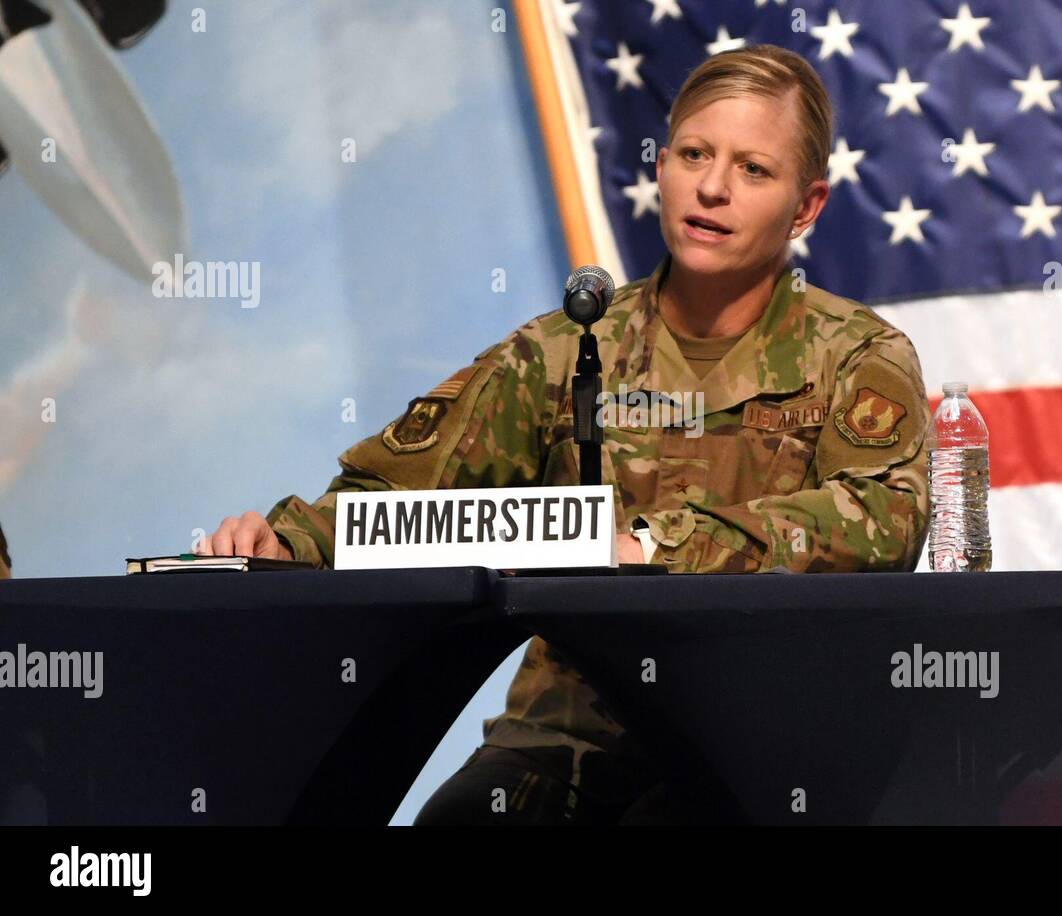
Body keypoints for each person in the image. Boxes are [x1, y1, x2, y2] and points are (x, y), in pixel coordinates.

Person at [197, 44, 931, 824]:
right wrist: (290, 543)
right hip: (571, 740)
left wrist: (653, 549)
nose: (712, 187)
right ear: (661, 166)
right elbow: (396, 502)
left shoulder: (858, 354)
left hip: (768, 742)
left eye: (753, 169)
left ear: (807, 205)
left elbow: (883, 520)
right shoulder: (563, 352)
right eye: (693, 154)